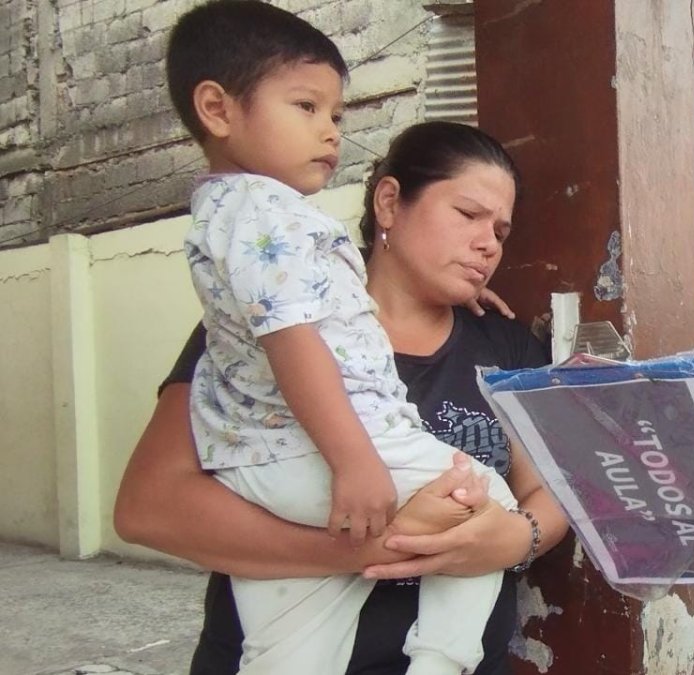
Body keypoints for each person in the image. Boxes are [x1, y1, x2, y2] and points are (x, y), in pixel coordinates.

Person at [115, 109, 567, 671]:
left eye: (500, 231)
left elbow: (551, 495)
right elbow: (148, 509)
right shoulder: (268, 326)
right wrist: (374, 549)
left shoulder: (504, 346)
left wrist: (511, 542)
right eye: (468, 213)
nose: (487, 245)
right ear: (389, 203)